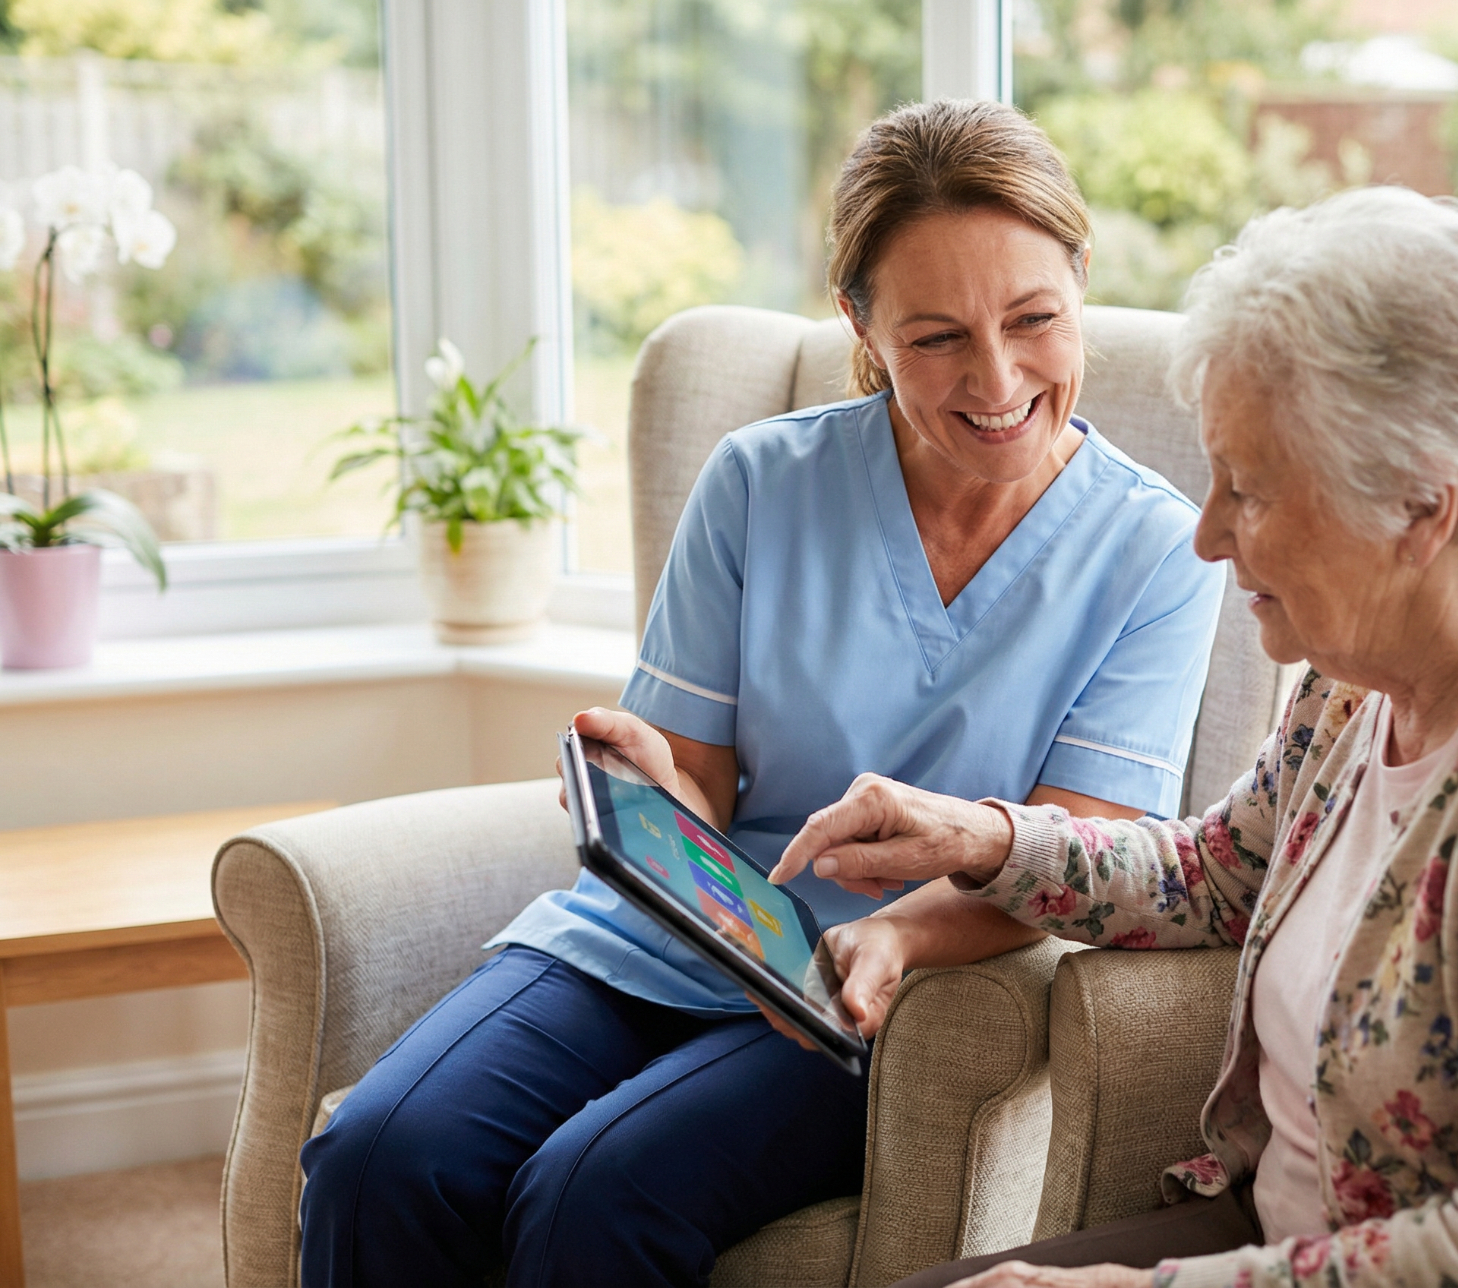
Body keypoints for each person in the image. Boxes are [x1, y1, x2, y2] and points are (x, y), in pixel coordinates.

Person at [772, 186, 1458, 1288]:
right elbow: (1213, 875)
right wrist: (974, 834)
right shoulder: (1366, 672)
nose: (1208, 535)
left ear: (1422, 505)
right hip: (1309, 1235)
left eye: (1249, 491)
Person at [297, 99, 1226, 1287]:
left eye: (1035, 318)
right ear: (862, 320)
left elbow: (1079, 850)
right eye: (937, 336)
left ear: (1080, 281)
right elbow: (700, 775)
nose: (996, 378)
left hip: (877, 981)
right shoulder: (760, 480)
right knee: (382, 1153)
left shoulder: (1156, 550)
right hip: (673, 929)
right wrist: (650, 773)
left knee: (593, 1194)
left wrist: (890, 932)